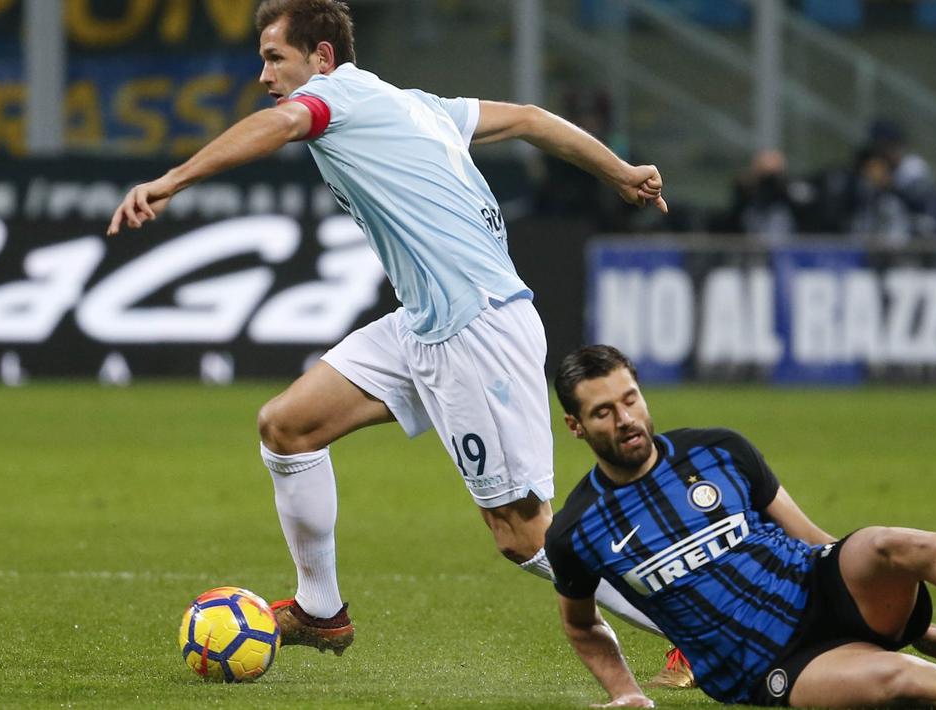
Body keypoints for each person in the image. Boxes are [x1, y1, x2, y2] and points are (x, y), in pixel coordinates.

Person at [105, 0, 676, 673]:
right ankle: (321, 610)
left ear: (321, 57)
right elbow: (526, 119)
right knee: (288, 427)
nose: (264, 75)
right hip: (425, 320)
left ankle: (688, 625)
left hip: (475, 326)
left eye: (273, 57)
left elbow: (283, 122)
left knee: (522, 533)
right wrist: (618, 169)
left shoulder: (331, 96)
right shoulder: (416, 103)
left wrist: (173, 180)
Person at [545, 344, 936, 708]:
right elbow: (583, 626)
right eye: (603, 412)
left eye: (630, 398)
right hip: (773, 662)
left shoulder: (718, 450)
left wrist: (923, 624)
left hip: (820, 584)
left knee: (882, 543)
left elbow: (815, 539)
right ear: (576, 426)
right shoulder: (575, 530)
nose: (626, 419)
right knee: (912, 686)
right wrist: (626, 693)